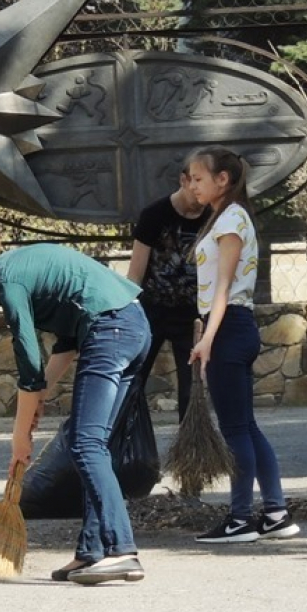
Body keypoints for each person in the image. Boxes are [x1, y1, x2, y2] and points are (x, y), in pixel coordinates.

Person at [0, 229, 151, 585]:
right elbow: (67, 338)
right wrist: (42, 393)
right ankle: (91, 553)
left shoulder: (8, 280)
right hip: (131, 326)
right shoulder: (17, 267)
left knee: (84, 444)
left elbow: (27, 355)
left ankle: (122, 551)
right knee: (94, 446)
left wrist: (20, 437)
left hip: (110, 329)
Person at [186, 146, 300, 544]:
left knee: (235, 429)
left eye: (199, 178)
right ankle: (275, 513)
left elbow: (223, 290)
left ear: (223, 179)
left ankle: (239, 519)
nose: (192, 185)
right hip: (232, 326)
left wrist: (207, 339)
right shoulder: (226, 217)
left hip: (229, 327)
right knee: (246, 426)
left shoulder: (231, 219)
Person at [127, 164, 211, 422]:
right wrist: (128, 313)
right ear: (183, 180)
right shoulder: (154, 214)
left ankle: (190, 450)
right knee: (133, 381)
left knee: (192, 388)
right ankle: (127, 446)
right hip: (151, 311)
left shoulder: (212, 216)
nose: (200, 196)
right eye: (195, 184)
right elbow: (135, 273)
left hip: (192, 315)